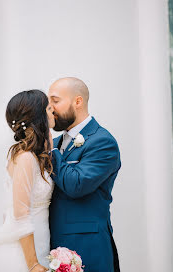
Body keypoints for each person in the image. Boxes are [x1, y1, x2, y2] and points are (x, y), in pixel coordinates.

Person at [48, 77, 121, 272]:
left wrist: (50, 150)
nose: (50, 109)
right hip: (49, 247)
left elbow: (76, 185)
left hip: (86, 248)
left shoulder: (102, 142)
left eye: (55, 101)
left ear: (77, 102)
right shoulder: (54, 143)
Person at [0, 90, 55, 272]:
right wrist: (33, 264)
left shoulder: (36, 156)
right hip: (22, 254)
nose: (52, 109)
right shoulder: (25, 158)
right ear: (39, 117)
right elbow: (21, 213)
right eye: (48, 107)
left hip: (40, 242)